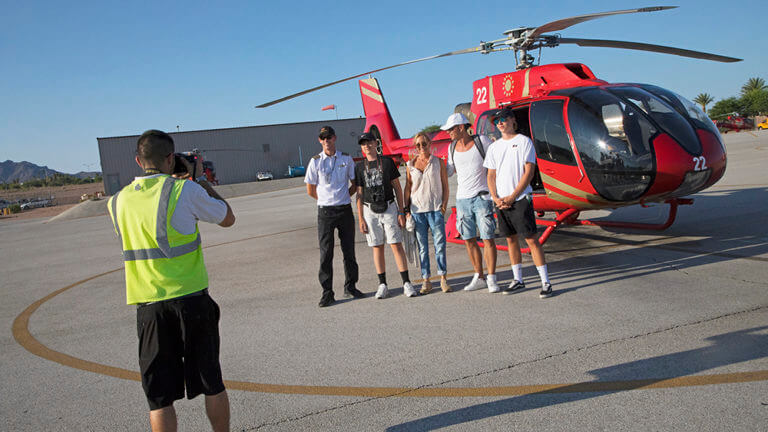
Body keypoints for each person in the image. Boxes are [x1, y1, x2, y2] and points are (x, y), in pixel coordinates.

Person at [107, 129, 236, 432]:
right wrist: (199, 179)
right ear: (170, 158)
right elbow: (227, 217)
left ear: (138, 161)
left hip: (149, 307)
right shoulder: (184, 191)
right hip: (192, 301)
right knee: (211, 382)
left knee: (159, 397)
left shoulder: (116, 202)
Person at [484, 108, 553, 298]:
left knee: (531, 239)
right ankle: (518, 279)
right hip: (501, 201)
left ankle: (545, 281)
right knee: (511, 239)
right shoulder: (494, 147)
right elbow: (491, 175)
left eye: (504, 118)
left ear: (513, 120)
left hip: (521, 198)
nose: (500, 123)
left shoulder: (524, 142)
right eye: (497, 120)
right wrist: (496, 197)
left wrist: (513, 196)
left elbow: (529, 172)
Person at [305, 125, 364, 307]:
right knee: (326, 253)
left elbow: (354, 184)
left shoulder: (346, 159)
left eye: (329, 137)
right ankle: (327, 292)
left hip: (344, 210)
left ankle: (351, 286)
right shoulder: (315, 162)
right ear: (319, 141)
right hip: (325, 212)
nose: (326, 141)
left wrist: (344, 196)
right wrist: (325, 199)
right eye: (323, 138)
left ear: (335, 138)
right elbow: (310, 189)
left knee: (349, 251)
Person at [443, 113, 501, 293]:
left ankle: (491, 278)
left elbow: (496, 165)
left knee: (488, 238)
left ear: (461, 127)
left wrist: (497, 193)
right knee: (468, 240)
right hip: (462, 200)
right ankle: (479, 276)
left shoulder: (482, 142)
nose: (449, 133)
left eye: (451, 129)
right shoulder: (451, 148)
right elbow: (449, 171)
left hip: (483, 198)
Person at [355, 132, 417, 299]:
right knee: (377, 246)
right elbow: (359, 194)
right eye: (363, 144)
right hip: (370, 209)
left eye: (369, 142)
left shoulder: (387, 162)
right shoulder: (360, 167)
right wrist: (360, 218)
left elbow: (397, 187)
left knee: (396, 244)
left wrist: (401, 211)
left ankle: (406, 282)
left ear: (376, 143)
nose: (367, 146)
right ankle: (382, 284)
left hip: (389, 206)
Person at [403, 132, 451, 294]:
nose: (421, 147)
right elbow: (408, 188)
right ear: (415, 148)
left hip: (435, 210)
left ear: (430, 144)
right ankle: (426, 279)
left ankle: (443, 277)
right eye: (418, 145)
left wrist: (443, 206)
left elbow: (445, 185)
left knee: (440, 245)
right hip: (418, 212)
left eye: (424, 143)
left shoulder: (438, 162)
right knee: (422, 248)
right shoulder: (410, 165)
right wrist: (406, 209)